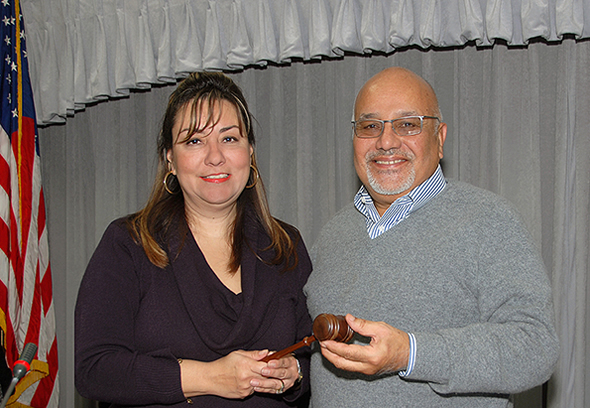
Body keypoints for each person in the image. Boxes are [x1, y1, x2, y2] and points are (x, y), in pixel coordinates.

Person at [304, 67, 559, 407]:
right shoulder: (332, 235)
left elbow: (535, 346)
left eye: (408, 124)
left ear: (439, 139)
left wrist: (411, 353)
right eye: (370, 126)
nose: (386, 141)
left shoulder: (488, 220)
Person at [75, 72, 312, 408]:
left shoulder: (286, 246)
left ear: (250, 152)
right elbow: (95, 370)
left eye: (229, 139)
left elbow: (314, 359)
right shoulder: (128, 244)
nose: (215, 156)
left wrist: (296, 374)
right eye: (194, 141)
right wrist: (212, 377)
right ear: (169, 159)